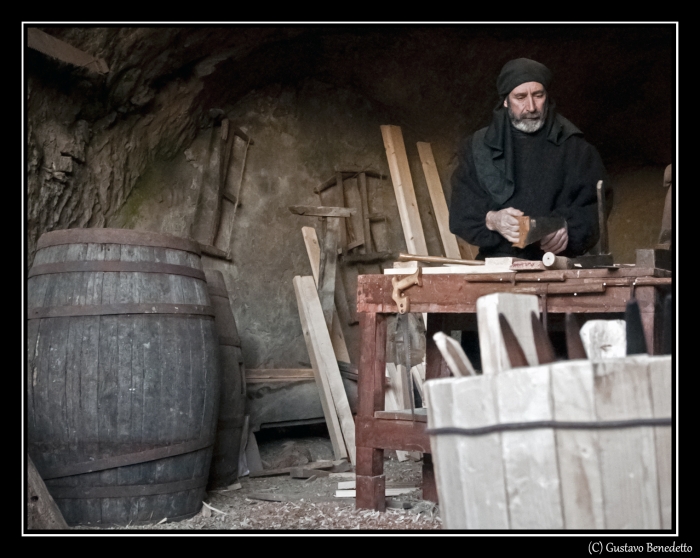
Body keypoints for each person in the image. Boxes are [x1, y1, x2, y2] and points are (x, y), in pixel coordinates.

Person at [449, 57, 609, 261]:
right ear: (506, 101)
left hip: (558, 265)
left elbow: (595, 205)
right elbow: (462, 209)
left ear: (547, 97)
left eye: (538, 95)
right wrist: (492, 219)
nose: (531, 107)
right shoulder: (478, 147)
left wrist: (567, 227)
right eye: (520, 97)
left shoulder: (575, 148)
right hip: (498, 265)